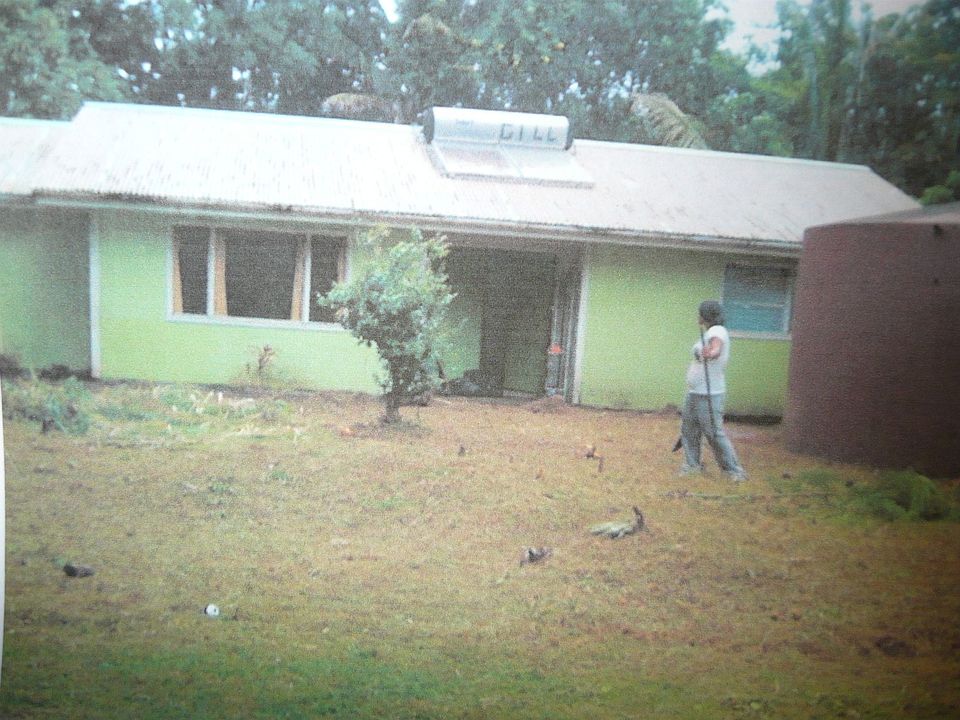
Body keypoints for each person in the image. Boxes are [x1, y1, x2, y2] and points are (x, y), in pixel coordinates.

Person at [679, 300, 747, 482]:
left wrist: (712, 352)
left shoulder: (717, 331)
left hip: (710, 395)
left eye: (700, 313)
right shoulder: (709, 331)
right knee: (689, 429)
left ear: (705, 315)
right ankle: (692, 465)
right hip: (695, 392)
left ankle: (734, 471)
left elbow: (716, 346)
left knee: (713, 433)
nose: (697, 316)